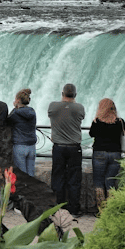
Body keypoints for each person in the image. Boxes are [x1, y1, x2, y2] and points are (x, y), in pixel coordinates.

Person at [48, 83, 86, 216]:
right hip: (74, 147)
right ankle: (74, 209)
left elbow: (53, 116)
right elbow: (80, 117)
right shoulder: (79, 107)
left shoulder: (53, 106)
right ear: (75, 95)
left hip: (58, 147)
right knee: (74, 178)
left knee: (58, 177)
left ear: (62, 93)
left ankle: (57, 208)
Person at [89, 98, 125, 210]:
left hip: (99, 153)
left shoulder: (97, 122)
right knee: (110, 181)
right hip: (115, 154)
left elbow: (91, 134)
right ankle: (111, 209)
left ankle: (101, 210)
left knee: (99, 182)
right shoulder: (120, 122)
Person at [8, 88, 37, 177]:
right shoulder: (32, 111)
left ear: (18, 100)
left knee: (22, 176)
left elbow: (7, 121)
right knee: (31, 175)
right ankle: (33, 191)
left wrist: (15, 108)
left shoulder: (15, 113)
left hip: (20, 146)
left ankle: (24, 191)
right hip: (32, 147)